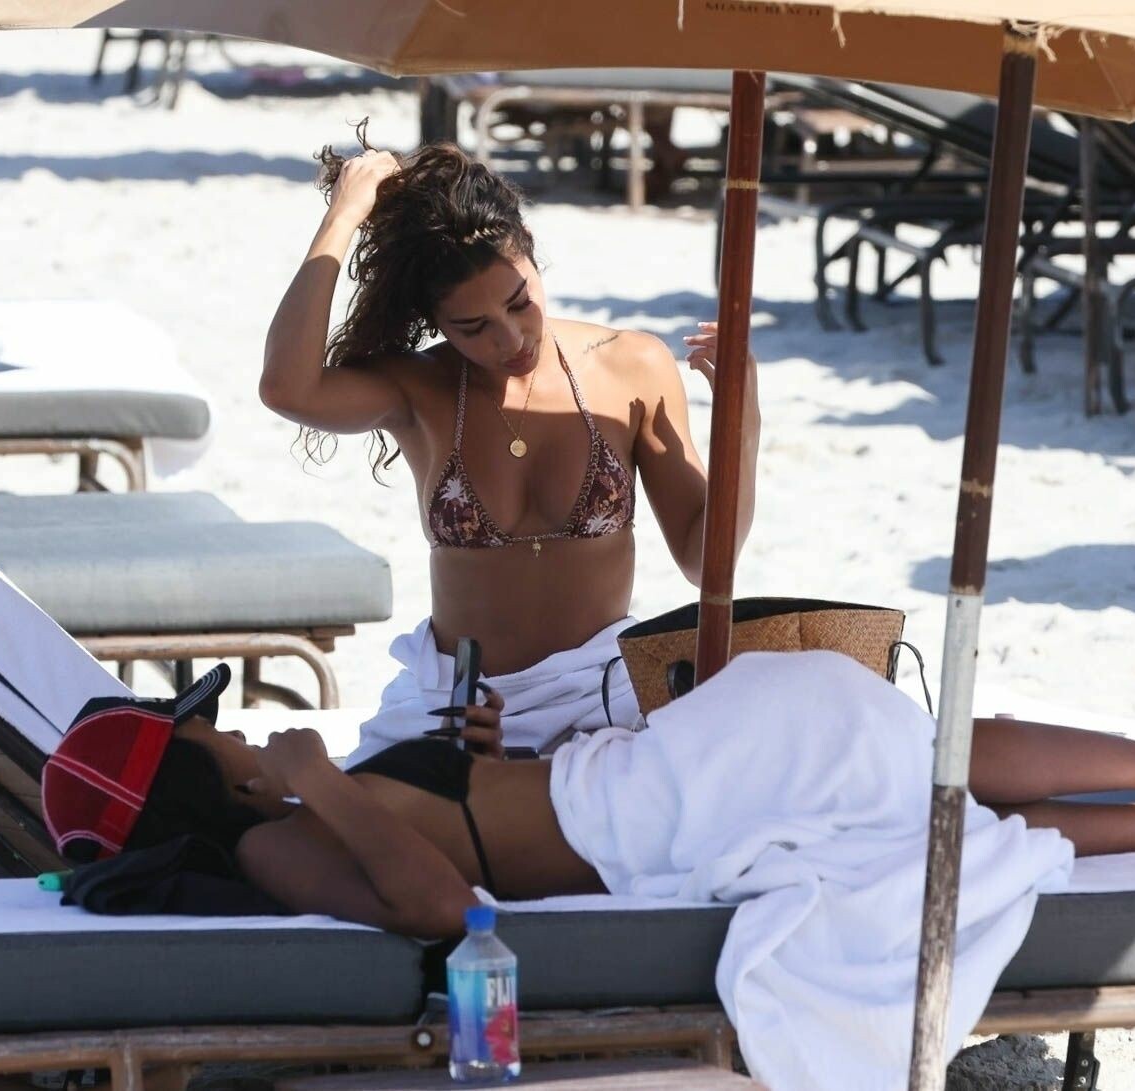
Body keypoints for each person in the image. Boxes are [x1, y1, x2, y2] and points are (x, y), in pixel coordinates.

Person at [46, 653, 1135, 943]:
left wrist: (464, 748)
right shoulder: (276, 852)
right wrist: (322, 778)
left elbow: (468, 820)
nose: (218, 721)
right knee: (919, 774)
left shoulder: (285, 815)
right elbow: (443, 906)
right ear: (193, 779)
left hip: (647, 783)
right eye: (197, 728)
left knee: (918, 776)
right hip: (662, 814)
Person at [259, 130, 760, 764]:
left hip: (599, 701)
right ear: (436, 323)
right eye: (473, 327)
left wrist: (744, 420)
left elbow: (707, 562)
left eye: (520, 302)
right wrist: (343, 218)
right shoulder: (420, 388)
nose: (511, 338)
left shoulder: (631, 365)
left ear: (530, 250)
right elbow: (286, 387)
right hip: (457, 704)